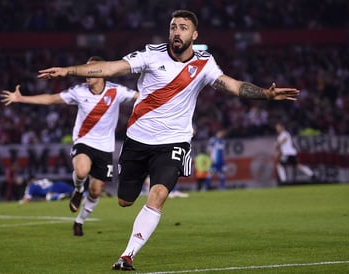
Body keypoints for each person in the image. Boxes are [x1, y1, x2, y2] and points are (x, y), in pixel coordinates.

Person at [37, 10, 300, 271]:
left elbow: (232, 85)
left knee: (159, 194)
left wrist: (265, 93)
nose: (176, 31)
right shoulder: (151, 55)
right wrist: (68, 71)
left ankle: (127, 256)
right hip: (138, 140)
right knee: (124, 200)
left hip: (174, 141)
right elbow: (111, 67)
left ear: (194, 35)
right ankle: (88, 194)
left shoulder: (204, 63)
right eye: (173, 27)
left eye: (183, 27)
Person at [1, 56, 138, 236]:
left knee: (96, 190)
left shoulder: (117, 91)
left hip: (106, 147)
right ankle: (78, 190)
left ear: (103, 72)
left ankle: (79, 220)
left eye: (92, 70)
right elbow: (51, 99)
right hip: (84, 141)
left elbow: (140, 97)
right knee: (81, 171)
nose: (87, 74)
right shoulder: (78, 92)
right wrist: (21, 99)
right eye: (86, 70)